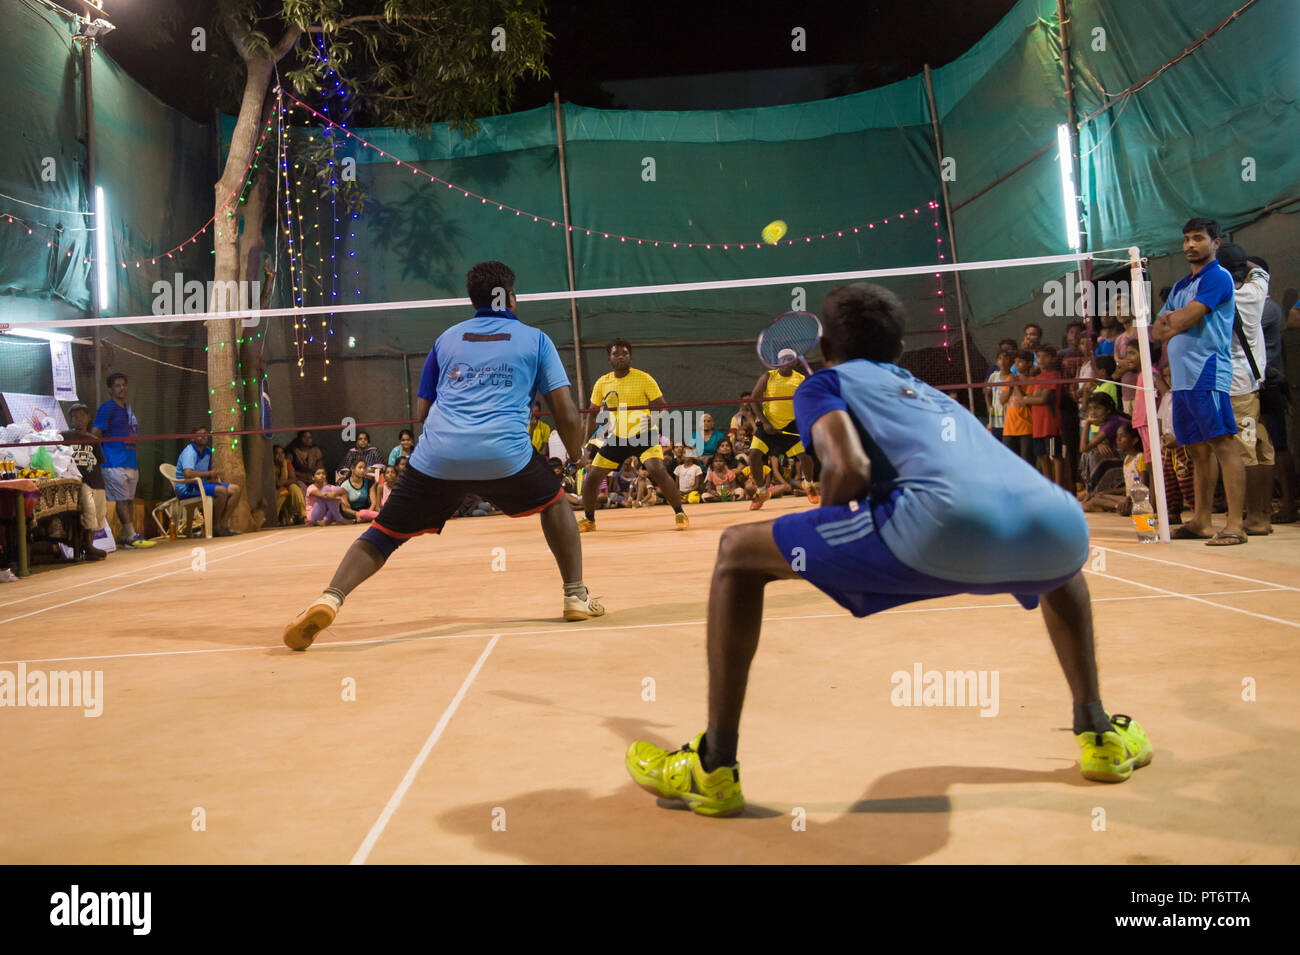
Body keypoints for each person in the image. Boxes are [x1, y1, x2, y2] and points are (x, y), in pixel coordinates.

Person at [625, 283, 1148, 817]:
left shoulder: (823, 384)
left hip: (937, 529)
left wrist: (826, 544)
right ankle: (1098, 733)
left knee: (737, 551)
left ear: (824, 347)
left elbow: (847, 468)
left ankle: (713, 767)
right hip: (1060, 526)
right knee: (1059, 567)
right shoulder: (923, 390)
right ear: (898, 351)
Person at [283, 260, 602, 651]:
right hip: (505, 454)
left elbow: (421, 414)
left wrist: (439, 456)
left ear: (474, 300)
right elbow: (566, 412)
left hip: (437, 455)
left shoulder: (446, 339)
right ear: (512, 298)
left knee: (382, 534)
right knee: (554, 502)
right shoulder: (536, 340)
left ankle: (329, 597)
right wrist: (576, 455)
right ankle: (575, 594)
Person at [1152, 219, 1245, 545]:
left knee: (1223, 444)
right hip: (1182, 381)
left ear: (1215, 243)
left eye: (1199, 238)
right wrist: (1173, 320)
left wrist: (1175, 320)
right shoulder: (1180, 285)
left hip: (1207, 371)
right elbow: (1156, 329)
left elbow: (1185, 318)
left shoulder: (1218, 277)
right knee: (1196, 450)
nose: (1191, 244)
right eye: (1187, 239)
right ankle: (1201, 521)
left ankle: (1235, 525)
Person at [579, 339, 688, 532]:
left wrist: (655, 420)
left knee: (657, 470)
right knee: (591, 478)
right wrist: (585, 446)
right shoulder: (602, 383)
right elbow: (592, 413)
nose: (620, 356)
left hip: (644, 434)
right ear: (609, 359)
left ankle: (680, 513)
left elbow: (663, 407)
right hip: (617, 437)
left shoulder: (644, 378)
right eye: (616, 354)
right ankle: (589, 520)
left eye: (625, 353)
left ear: (630, 357)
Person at [1219, 245, 1274, 536]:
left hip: (1236, 387)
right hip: (1255, 383)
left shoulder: (1223, 297)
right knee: (1262, 448)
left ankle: (1255, 518)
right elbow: (1260, 268)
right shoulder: (1255, 291)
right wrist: (1241, 261)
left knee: (1245, 451)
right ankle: (1261, 515)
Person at [1249, 256, 1295, 523]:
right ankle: (1264, 505)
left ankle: (1288, 504)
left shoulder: (1267, 309)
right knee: (1259, 445)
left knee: (1277, 445)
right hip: (1259, 383)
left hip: (1269, 383)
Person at [745, 352, 817, 509]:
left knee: (805, 456)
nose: (785, 362)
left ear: (795, 362)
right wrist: (764, 423)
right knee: (754, 455)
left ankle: (809, 485)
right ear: (777, 362)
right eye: (782, 360)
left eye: (789, 360)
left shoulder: (801, 379)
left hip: (792, 424)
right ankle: (762, 491)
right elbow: (754, 400)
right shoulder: (768, 377)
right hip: (768, 423)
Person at [92, 372, 155, 548]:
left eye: (124, 385)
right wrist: (101, 458)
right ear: (110, 390)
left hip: (130, 461)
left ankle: (128, 535)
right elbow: (96, 434)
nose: (122, 388)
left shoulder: (127, 408)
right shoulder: (107, 408)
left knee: (128, 500)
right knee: (121, 500)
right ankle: (130, 535)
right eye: (118, 386)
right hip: (113, 462)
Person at [175, 426, 243, 536]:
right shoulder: (190, 451)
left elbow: (207, 472)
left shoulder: (207, 451)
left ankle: (223, 524)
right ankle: (214, 527)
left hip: (202, 484)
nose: (204, 436)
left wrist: (213, 476)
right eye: (199, 434)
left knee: (236, 489)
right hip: (188, 487)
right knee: (222, 492)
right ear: (193, 438)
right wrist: (208, 474)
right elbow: (188, 474)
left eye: (205, 433)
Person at [60, 402, 107, 561]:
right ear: (70, 420)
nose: (78, 420)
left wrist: (101, 484)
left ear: (88, 418)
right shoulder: (65, 437)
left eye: (82, 416)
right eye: (74, 417)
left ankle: (90, 545)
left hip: (96, 481)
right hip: (80, 481)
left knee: (98, 513)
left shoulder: (93, 440)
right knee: (89, 510)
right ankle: (87, 546)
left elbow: (99, 462)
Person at [1018, 344, 1070, 489]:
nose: (1040, 360)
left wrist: (1029, 398)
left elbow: (1043, 399)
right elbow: (1028, 400)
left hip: (1051, 424)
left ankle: (1059, 488)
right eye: (1038, 357)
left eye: (1044, 356)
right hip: (1038, 426)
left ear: (1053, 358)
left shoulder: (1053, 376)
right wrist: (1029, 398)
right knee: (1042, 456)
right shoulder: (1038, 378)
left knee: (1055, 456)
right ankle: (1049, 487)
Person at [1081, 423, 1145, 513]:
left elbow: (1143, 484)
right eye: (1117, 436)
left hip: (1137, 500)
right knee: (1099, 496)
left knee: (1094, 502)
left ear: (1134, 440)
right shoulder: (1127, 458)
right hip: (1128, 498)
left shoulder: (1140, 458)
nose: (1118, 440)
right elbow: (1128, 486)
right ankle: (1119, 507)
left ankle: (1119, 507)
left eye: (1122, 437)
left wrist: (1129, 499)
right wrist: (1110, 492)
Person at [1002, 350, 1036, 465]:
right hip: (1009, 429)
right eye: (1015, 362)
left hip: (1026, 428)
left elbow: (1025, 401)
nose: (1016, 365)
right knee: (1010, 462)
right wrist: (1010, 386)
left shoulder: (1033, 382)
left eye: (1020, 362)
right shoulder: (1010, 379)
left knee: (1027, 462)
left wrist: (1015, 385)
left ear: (1030, 363)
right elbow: (1002, 400)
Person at [274, 445, 307, 525]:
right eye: (277, 453)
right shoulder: (271, 466)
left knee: (294, 487)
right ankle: (275, 517)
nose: (280, 456)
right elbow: (278, 484)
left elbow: (293, 479)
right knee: (283, 491)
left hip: (289, 491)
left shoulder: (287, 463)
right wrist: (282, 467)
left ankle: (302, 516)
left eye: (282, 453)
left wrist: (284, 482)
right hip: (278, 492)